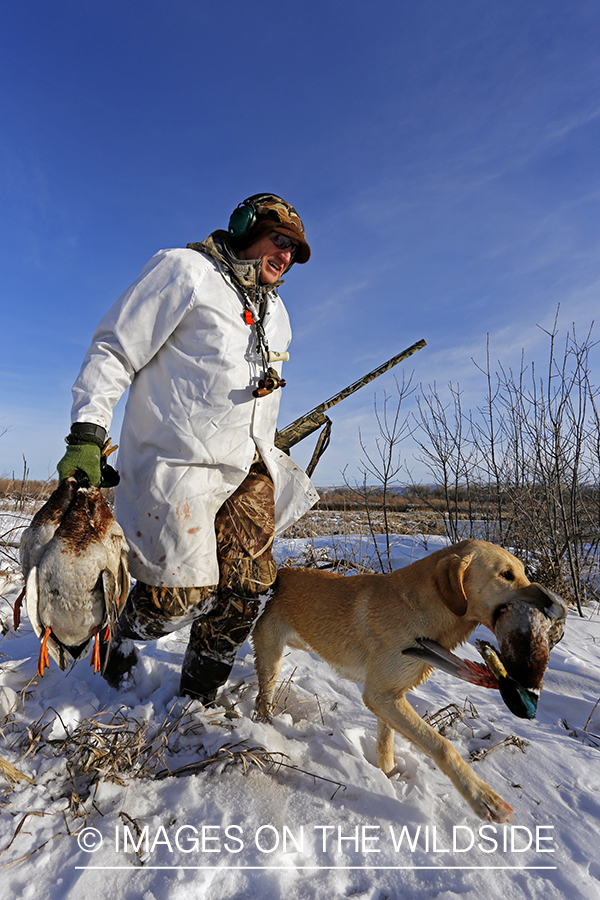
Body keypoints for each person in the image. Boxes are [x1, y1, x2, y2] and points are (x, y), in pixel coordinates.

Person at [56, 193, 319, 703]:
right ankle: (112, 634)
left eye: (294, 250)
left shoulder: (279, 313)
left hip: (245, 467)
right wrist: (87, 432)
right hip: (175, 466)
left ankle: (196, 700)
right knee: (175, 598)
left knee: (248, 589)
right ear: (245, 228)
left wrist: (264, 437)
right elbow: (114, 347)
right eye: (278, 239)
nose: (285, 255)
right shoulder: (185, 271)